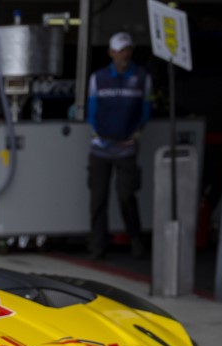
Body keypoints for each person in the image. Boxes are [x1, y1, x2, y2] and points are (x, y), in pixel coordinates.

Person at [87, 31, 153, 258]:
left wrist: (137, 133)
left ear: (131, 52)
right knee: (98, 198)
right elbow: (92, 110)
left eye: (126, 50)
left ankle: (136, 240)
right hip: (101, 147)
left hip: (126, 147)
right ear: (110, 53)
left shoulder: (142, 77)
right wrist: (98, 133)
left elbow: (145, 110)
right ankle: (98, 244)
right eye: (118, 50)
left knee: (126, 195)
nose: (122, 55)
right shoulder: (99, 77)